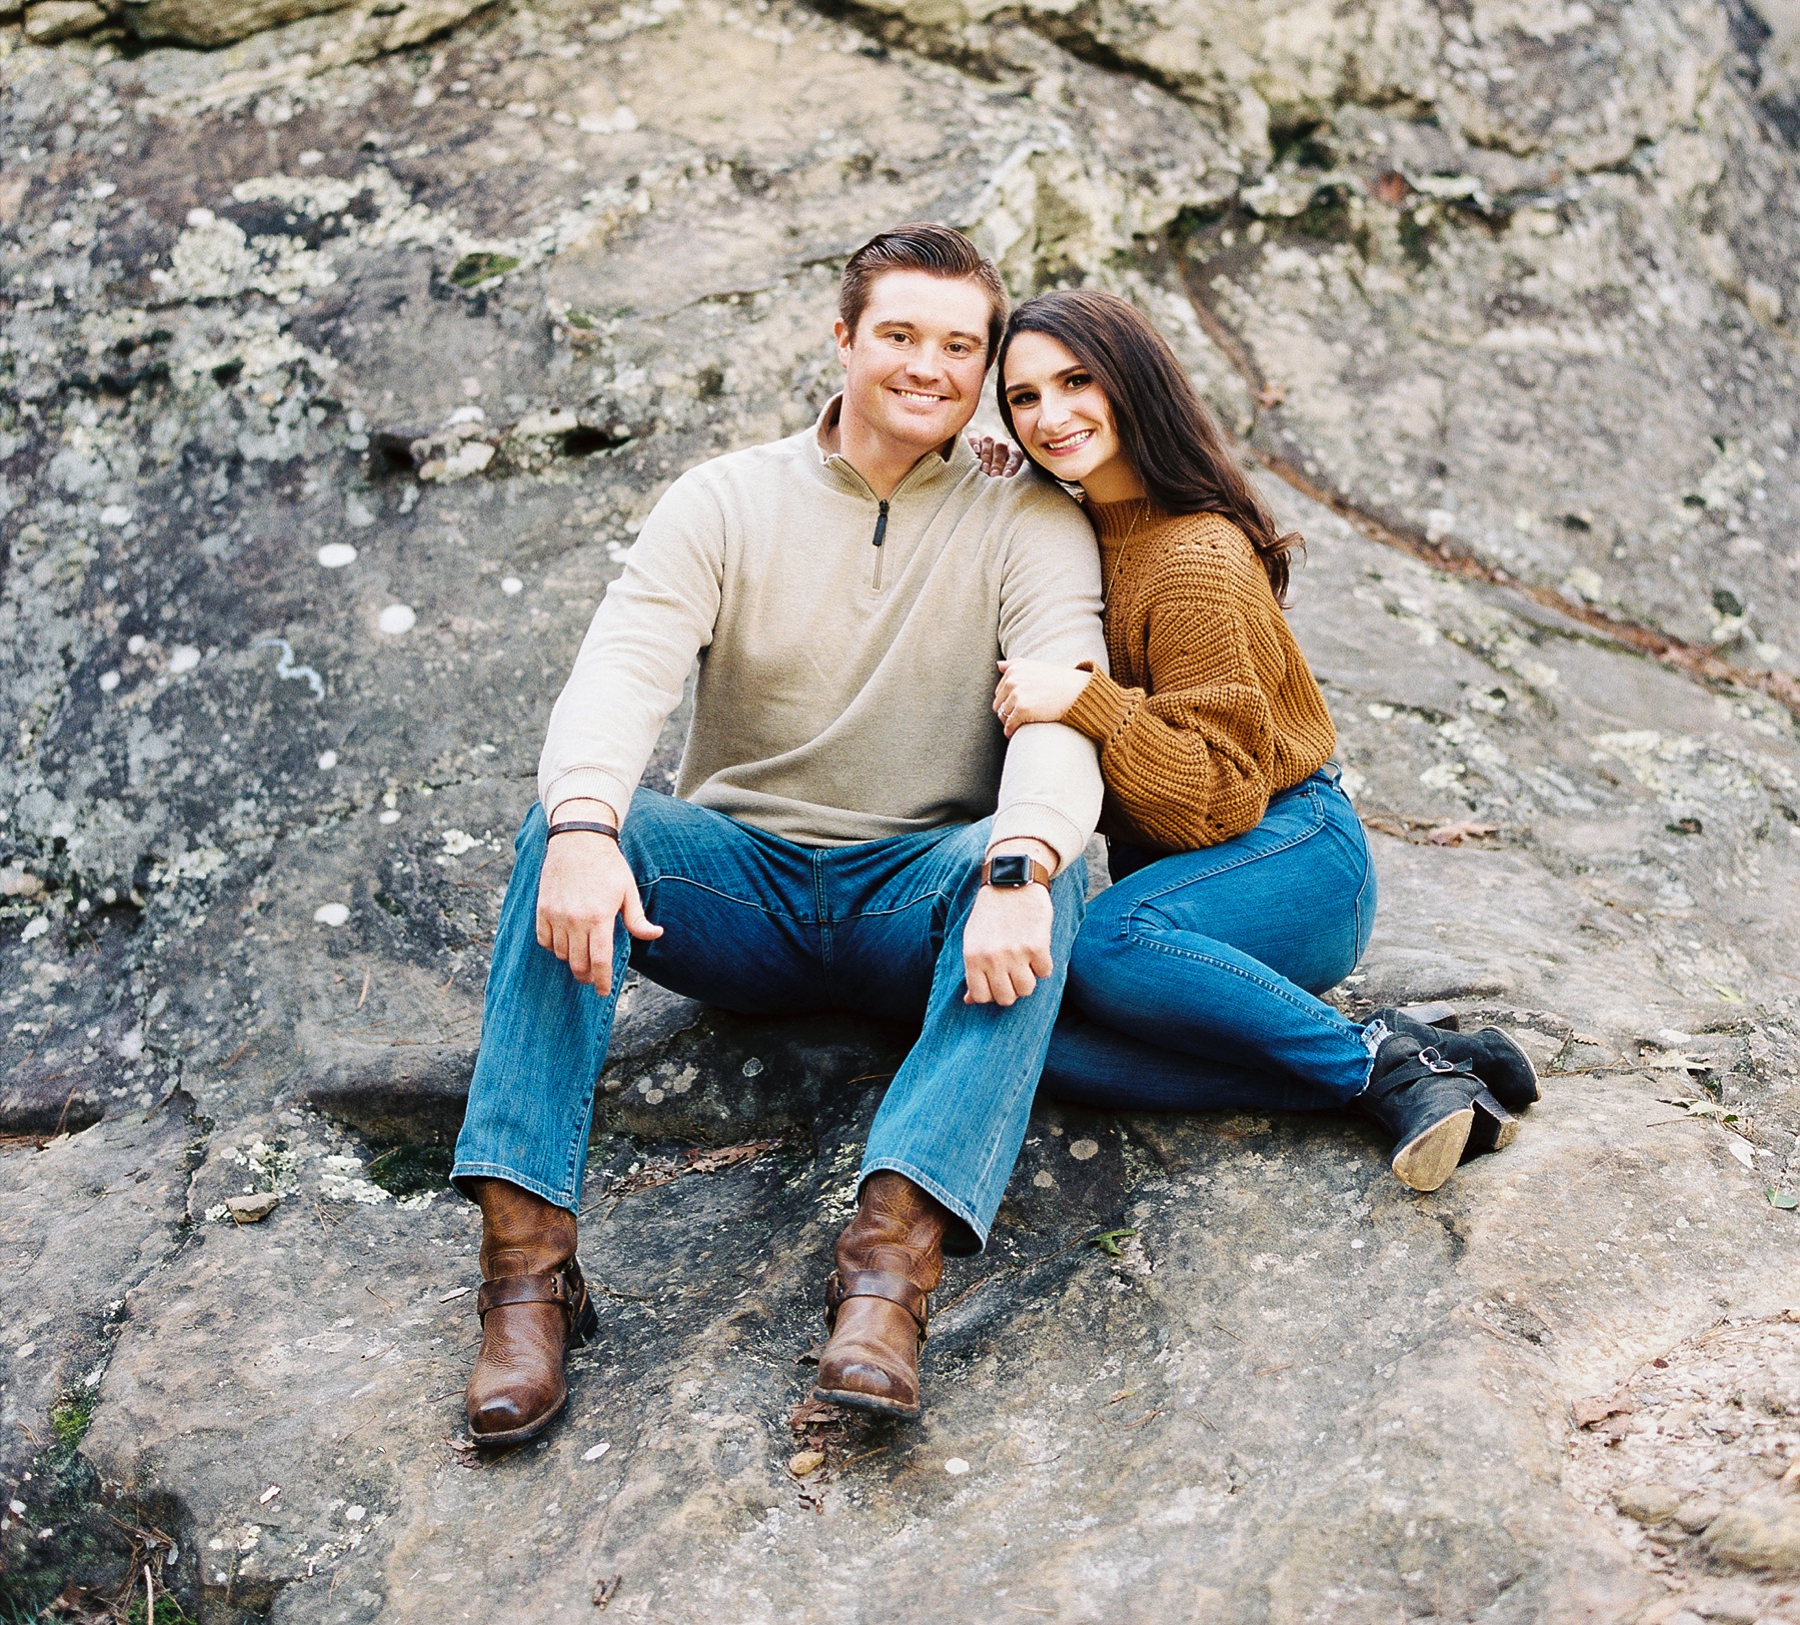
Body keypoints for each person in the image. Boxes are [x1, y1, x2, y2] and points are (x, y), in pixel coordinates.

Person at [450, 225, 1106, 1445]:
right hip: (736, 894)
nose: (928, 365)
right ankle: (526, 1279)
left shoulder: (1031, 521)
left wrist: (1026, 865)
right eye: (900, 335)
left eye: (961, 345)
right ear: (844, 338)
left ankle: (886, 1284)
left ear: (986, 365)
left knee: (1039, 866)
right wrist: (588, 822)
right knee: (567, 833)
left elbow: (1063, 710)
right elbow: (620, 672)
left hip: (920, 893)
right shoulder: (725, 499)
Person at [984, 290, 1538, 1188]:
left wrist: (1088, 702)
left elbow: (1218, 795)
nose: (1051, 415)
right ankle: (1398, 1063)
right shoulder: (1072, 525)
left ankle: (1383, 1070)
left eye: (1077, 381)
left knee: (1109, 943)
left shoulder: (1195, 556)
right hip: (1205, 889)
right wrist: (989, 481)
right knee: (1048, 1046)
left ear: (1132, 381)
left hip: (1294, 854)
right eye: (1023, 397)